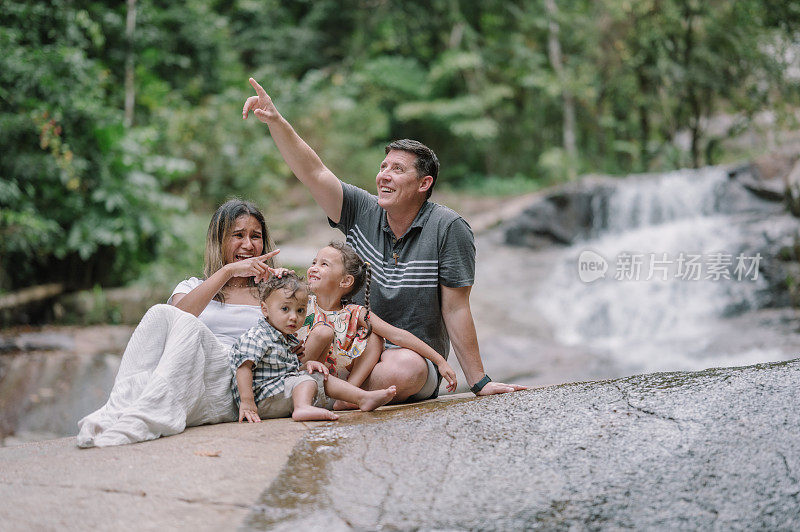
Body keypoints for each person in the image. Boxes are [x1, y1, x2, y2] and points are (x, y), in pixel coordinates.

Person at [243, 77, 527, 401]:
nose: (384, 176)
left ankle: (322, 393)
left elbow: (456, 308)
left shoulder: (449, 228)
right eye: (383, 166)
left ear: (424, 183)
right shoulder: (361, 209)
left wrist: (479, 381)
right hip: (347, 347)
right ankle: (331, 392)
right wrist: (277, 121)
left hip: (410, 357)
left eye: (397, 169)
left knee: (403, 369)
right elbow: (314, 172)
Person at [76, 199, 286, 447]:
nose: (248, 245)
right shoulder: (191, 287)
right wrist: (228, 272)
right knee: (159, 313)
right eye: (238, 235)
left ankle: (137, 418)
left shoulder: (274, 293)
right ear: (218, 241)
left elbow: (295, 338)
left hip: (236, 383)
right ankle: (114, 412)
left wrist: (286, 292)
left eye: (256, 236)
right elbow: (175, 318)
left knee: (189, 326)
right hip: (188, 375)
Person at [300, 241, 457, 411]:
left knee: (373, 336)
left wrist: (439, 361)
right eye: (314, 262)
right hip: (306, 378)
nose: (314, 268)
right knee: (322, 333)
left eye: (324, 264)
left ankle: (348, 395)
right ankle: (316, 394)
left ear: (345, 281)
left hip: (339, 382)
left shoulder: (354, 313)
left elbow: (397, 335)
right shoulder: (301, 304)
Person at [229, 271, 397, 423]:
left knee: (316, 374)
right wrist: (247, 402)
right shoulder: (258, 336)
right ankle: (302, 407)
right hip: (263, 399)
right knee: (305, 379)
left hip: (280, 392)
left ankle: (362, 398)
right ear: (265, 310)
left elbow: (289, 371)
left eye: (300, 311)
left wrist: (308, 365)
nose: (293, 317)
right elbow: (243, 367)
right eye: (285, 309)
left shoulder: (286, 338)